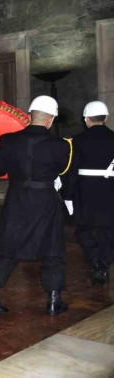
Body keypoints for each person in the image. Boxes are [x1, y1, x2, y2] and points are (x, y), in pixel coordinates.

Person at [0, 96, 73, 316]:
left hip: (17, 198)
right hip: (44, 199)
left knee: (13, 245)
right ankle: (54, 299)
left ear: (29, 116)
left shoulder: (7, 140)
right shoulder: (60, 145)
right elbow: (63, 170)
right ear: (50, 119)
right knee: (53, 247)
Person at [61, 101, 114, 287]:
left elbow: (71, 171)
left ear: (86, 119)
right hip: (110, 190)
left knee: (83, 230)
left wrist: (67, 195)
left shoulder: (77, 140)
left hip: (85, 191)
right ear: (106, 118)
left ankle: (96, 261)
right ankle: (104, 263)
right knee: (109, 231)